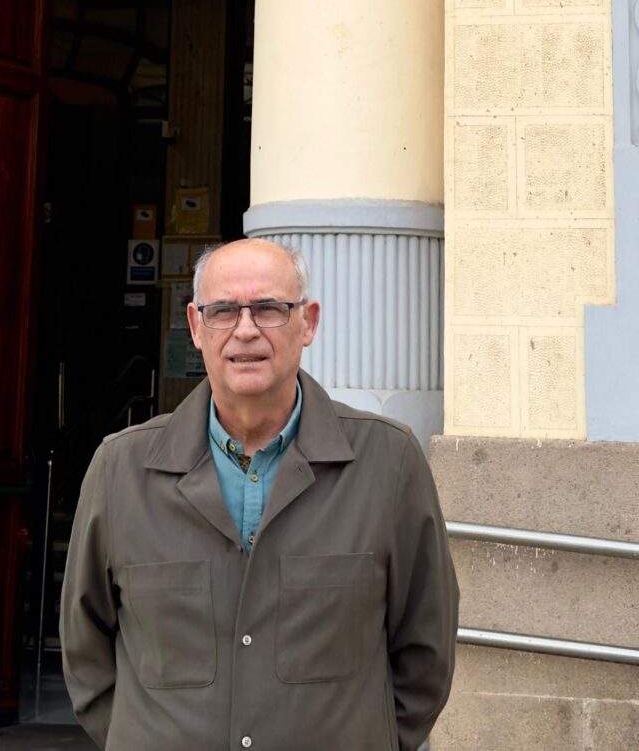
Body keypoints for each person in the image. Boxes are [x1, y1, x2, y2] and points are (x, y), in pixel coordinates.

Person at [61, 238, 459, 751]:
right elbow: (85, 650)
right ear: (197, 326)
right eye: (223, 310)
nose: (245, 330)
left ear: (308, 322)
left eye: (270, 308)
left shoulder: (389, 462)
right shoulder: (121, 469)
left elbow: (425, 649)